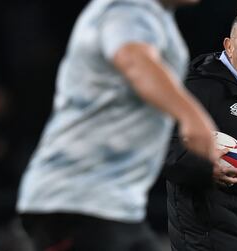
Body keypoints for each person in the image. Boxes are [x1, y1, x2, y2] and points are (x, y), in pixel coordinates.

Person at [16, 0, 220, 250]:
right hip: (76, 199)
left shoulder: (154, 15)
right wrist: (191, 115)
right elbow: (133, 60)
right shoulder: (127, 7)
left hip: (114, 205)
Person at [164, 11, 237, 251]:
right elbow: (161, 148)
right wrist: (206, 168)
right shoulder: (197, 86)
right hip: (208, 236)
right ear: (229, 45)